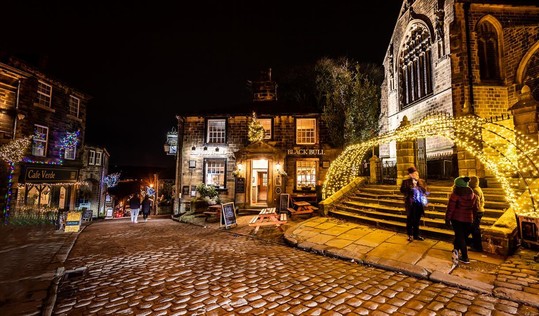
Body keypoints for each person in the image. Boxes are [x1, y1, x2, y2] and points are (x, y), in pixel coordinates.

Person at [445, 176, 478, 264]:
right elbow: (475, 209)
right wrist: (474, 219)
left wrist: (447, 219)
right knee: (460, 237)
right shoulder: (473, 195)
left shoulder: (455, 195)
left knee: (460, 237)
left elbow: (450, 208)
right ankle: (455, 251)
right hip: (468, 219)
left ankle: (465, 257)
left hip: (457, 219)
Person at [400, 166, 429, 242]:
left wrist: (417, 186)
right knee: (410, 220)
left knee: (417, 220)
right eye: (414, 173)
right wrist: (411, 187)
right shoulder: (405, 182)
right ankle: (410, 235)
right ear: (410, 175)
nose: (416, 175)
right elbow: (402, 190)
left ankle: (416, 235)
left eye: (417, 173)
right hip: (410, 204)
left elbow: (425, 191)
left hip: (419, 204)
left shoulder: (421, 181)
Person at [468, 176, 484, 252]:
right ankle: (474, 244)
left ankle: (477, 246)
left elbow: (475, 203)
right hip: (479, 210)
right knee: (473, 228)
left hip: (477, 211)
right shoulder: (478, 188)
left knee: (475, 229)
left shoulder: (475, 190)